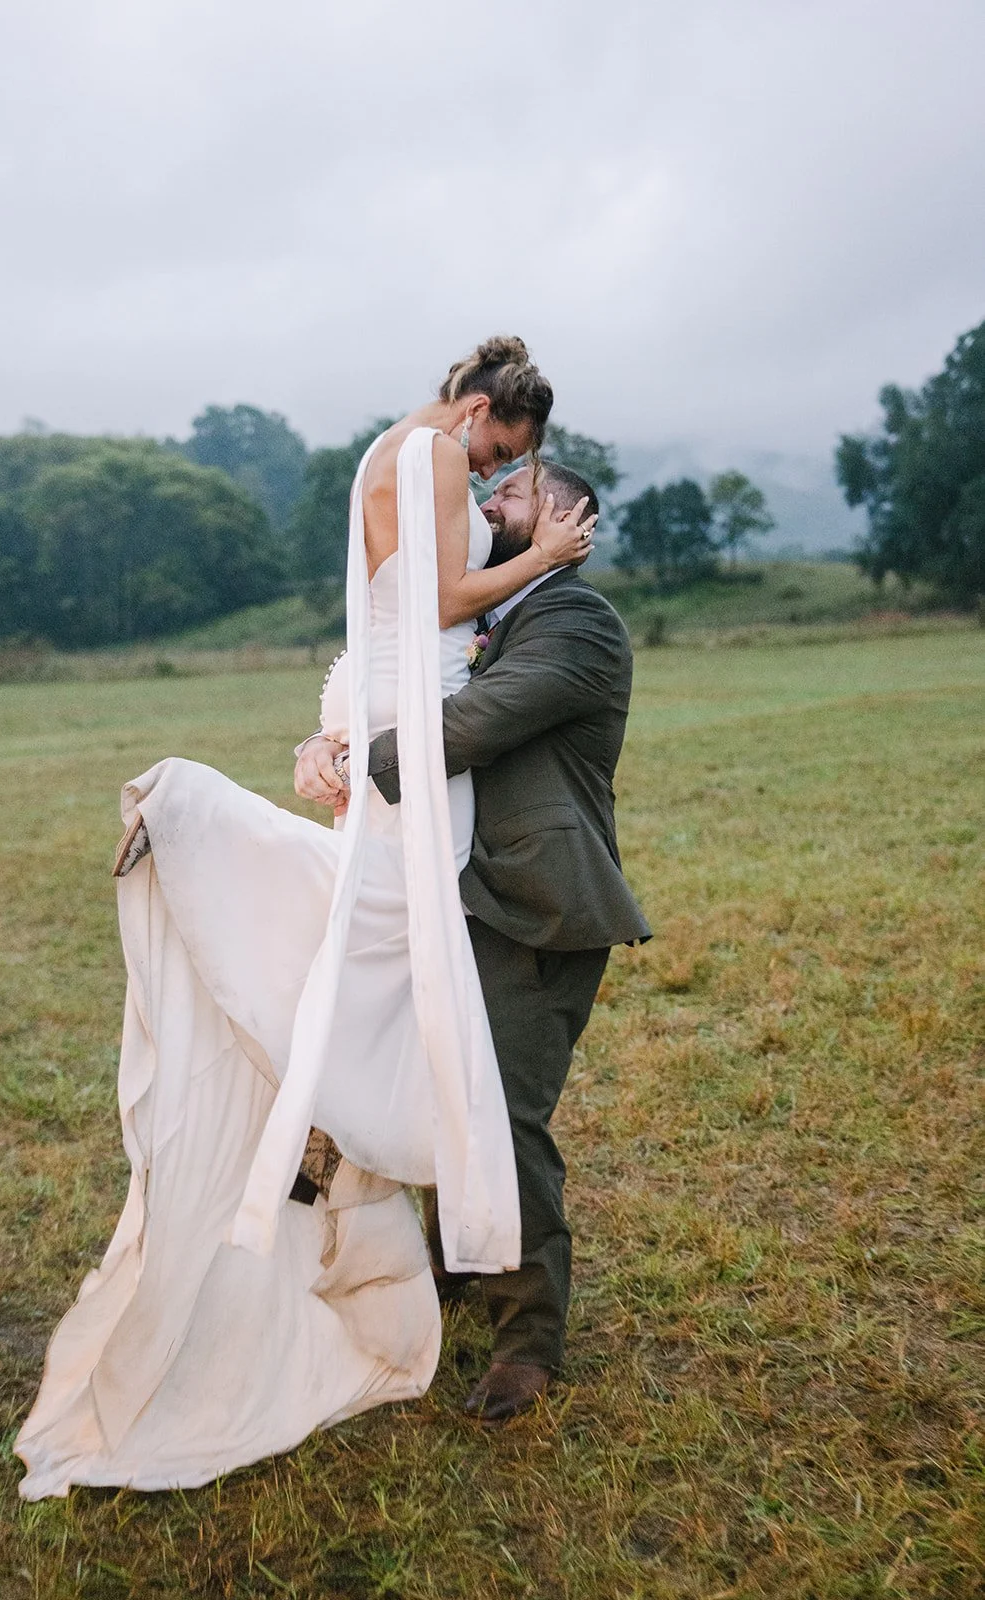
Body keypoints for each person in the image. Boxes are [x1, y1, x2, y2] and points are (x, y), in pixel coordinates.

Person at [14, 336, 596, 1498]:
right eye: (499, 451)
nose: (488, 478)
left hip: (376, 689)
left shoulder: (390, 447)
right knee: (381, 931)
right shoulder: (431, 455)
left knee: (377, 934)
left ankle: (349, 1151)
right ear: (475, 409)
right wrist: (542, 551)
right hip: (416, 711)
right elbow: (441, 596)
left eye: (506, 470)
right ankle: (196, 817)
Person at [296, 460, 651, 1422]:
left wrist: (363, 764)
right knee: (429, 1086)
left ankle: (528, 1343)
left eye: (512, 498)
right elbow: (395, 686)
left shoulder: (575, 621)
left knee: (499, 1115)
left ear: (571, 518)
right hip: (438, 889)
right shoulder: (470, 616)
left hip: (533, 903)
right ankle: (451, 1277)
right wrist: (323, 742)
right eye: (487, 496)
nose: (487, 506)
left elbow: (481, 718)